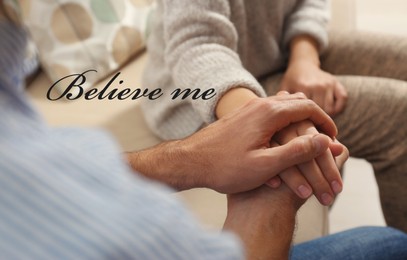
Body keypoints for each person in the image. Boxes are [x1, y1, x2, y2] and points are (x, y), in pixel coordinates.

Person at [2, 15, 407, 259]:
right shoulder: (128, 228)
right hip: (208, 92)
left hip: (274, 58)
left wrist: (305, 57)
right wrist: (263, 127)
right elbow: (195, 43)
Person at [141, 0, 407, 231]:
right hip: (200, 93)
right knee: (400, 117)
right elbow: (196, 43)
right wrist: (264, 118)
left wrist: (305, 60)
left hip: (274, 51)